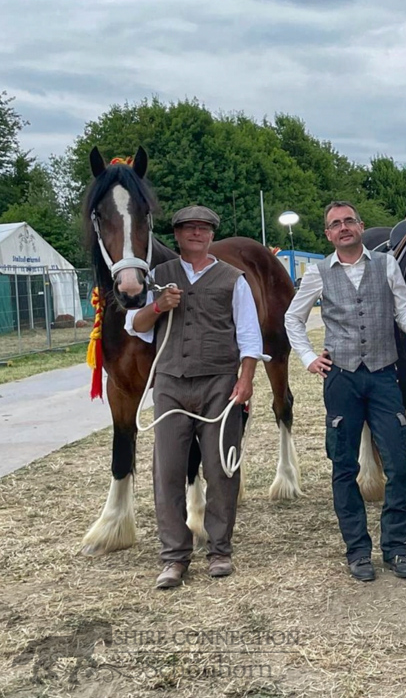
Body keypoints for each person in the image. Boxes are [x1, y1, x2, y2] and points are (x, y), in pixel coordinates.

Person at [284, 201, 406, 582]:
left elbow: (403, 307)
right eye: (335, 224)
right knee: (344, 466)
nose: (344, 227)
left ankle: (396, 549)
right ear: (328, 234)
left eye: (349, 221)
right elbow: (292, 319)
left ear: (360, 227)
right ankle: (358, 551)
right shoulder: (317, 274)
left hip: (383, 375)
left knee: (398, 462)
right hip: (342, 379)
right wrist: (309, 358)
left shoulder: (386, 265)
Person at [126, 206, 262, 589]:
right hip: (170, 383)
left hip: (219, 383)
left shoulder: (233, 279)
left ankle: (219, 549)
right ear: (178, 235)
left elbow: (250, 336)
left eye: (203, 229)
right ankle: (174, 557)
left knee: (221, 471)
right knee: (167, 471)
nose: (197, 234)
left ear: (211, 234)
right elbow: (134, 326)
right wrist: (157, 307)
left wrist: (246, 379)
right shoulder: (156, 278)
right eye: (189, 229)